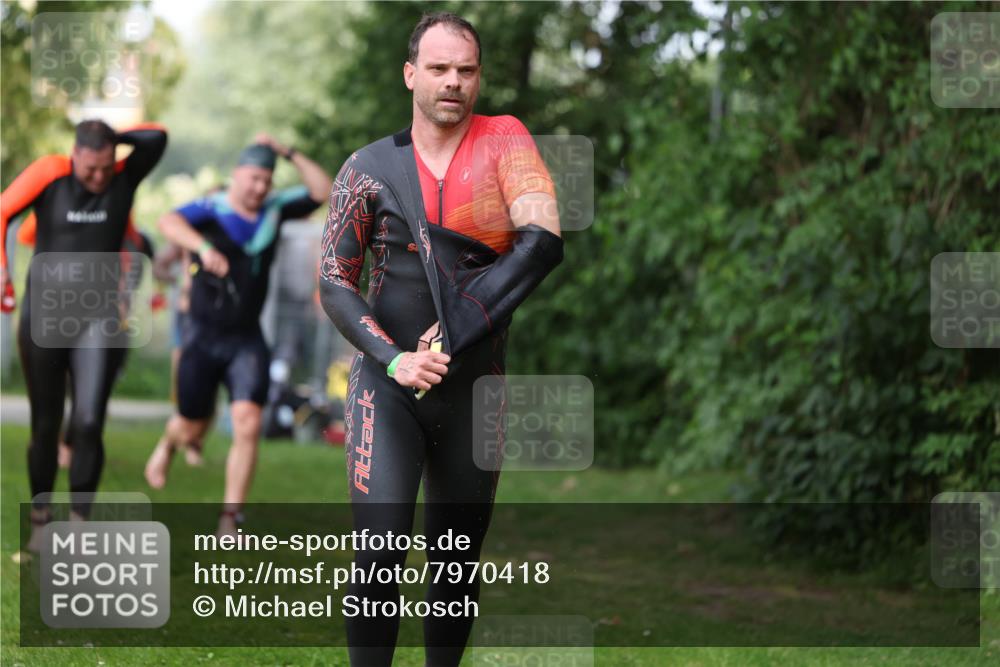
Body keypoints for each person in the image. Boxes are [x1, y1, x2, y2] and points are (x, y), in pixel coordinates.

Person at [318, 13, 563, 667]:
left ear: (478, 76)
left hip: (475, 390)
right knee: (379, 554)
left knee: (455, 562)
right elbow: (334, 283)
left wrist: (457, 323)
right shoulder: (368, 168)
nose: (453, 81)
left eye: (466, 69)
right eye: (438, 68)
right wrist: (394, 358)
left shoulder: (507, 142)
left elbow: (543, 241)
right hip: (387, 386)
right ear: (411, 74)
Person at [143, 134, 333, 536]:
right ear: (236, 176)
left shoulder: (276, 209)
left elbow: (323, 190)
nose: (260, 187)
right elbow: (168, 221)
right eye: (253, 178)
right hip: (201, 337)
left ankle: (231, 518)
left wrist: (288, 151)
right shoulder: (210, 209)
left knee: (247, 422)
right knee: (191, 425)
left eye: (267, 179)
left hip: (246, 339)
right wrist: (202, 247)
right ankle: (169, 444)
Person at [0, 120, 167, 548]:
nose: (97, 178)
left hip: (99, 318)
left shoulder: (124, 177)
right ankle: (40, 519)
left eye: (105, 167)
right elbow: (3, 212)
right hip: (45, 317)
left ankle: (78, 525)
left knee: (90, 420)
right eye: (89, 168)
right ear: (74, 154)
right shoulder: (50, 172)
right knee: (45, 425)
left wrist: (114, 140)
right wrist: (3, 270)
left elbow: (157, 136)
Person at [15, 212, 156, 470]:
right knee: (58, 389)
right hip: (60, 312)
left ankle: (70, 445)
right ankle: (54, 443)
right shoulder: (70, 213)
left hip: (110, 320)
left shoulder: (134, 236)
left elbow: (137, 273)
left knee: (92, 396)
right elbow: (26, 235)